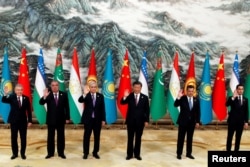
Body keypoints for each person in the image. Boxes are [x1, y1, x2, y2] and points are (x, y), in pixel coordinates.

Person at [39, 80, 70, 159]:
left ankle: (61, 153)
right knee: (50, 137)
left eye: (56, 85)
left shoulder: (64, 94)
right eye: (53, 85)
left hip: (61, 119)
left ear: (58, 86)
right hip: (51, 120)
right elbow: (41, 102)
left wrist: (67, 118)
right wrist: (44, 96)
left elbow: (67, 107)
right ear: (51, 86)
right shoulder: (48, 95)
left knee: (61, 137)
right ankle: (50, 153)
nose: (54, 86)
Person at [120, 80, 149, 161]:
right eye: (135, 87)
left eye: (138, 87)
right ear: (133, 87)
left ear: (141, 88)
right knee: (130, 138)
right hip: (130, 121)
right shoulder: (130, 96)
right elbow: (122, 102)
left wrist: (146, 120)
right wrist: (125, 96)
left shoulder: (145, 97)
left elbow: (147, 110)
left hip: (140, 121)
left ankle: (137, 154)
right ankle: (129, 154)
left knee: (138, 138)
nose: (137, 89)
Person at [2, 84, 32, 160]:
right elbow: (4, 100)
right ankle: (15, 154)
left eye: (21, 90)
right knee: (14, 138)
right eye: (18, 90)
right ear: (15, 91)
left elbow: (29, 111)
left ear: (22, 90)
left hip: (23, 122)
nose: (19, 91)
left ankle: (23, 154)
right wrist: (5, 94)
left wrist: (30, 121)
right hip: (14, 121)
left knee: (23, 138)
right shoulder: (12, 97)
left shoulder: (26, 98)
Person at [78, 81, 106, 159]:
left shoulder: (100, 96)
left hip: (97, 120)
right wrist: (84, 94)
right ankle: (86, 153)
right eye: (92, 87)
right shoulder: (86, 95)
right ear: (89, 88)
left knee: (97, 137)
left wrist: (103, 119)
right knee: (86, 136)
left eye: (95, 87)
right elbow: (80, 100)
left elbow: (102, 108)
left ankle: (95, 152)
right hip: (88, 120)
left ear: (96, 88)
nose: (93, 88)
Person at [174, 85, 200, 160]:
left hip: (191, 123)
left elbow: (198, 112)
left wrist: (197, 122)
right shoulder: (182, 98)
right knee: (181, 138)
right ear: (187, 91)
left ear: (193, 91)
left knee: (190, 138)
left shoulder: (196, 100)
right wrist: (178, 97)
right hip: (183, 122)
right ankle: (179, 153)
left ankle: (189, 153)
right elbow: (175, 105)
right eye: (189, 91)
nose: (191, 93)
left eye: (192, 91)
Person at [226, 84, 249, 151]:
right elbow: (227, 104)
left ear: (243, 90)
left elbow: (246, 111)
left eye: (242, 89)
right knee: (230, 137)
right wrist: (233, 97)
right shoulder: (232, 98)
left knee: (238, 138)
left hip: (240, 122)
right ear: (236, 90)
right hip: (232, 122)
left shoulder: (245, 99)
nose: (240, 90)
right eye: (239, 89)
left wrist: (246, 122)